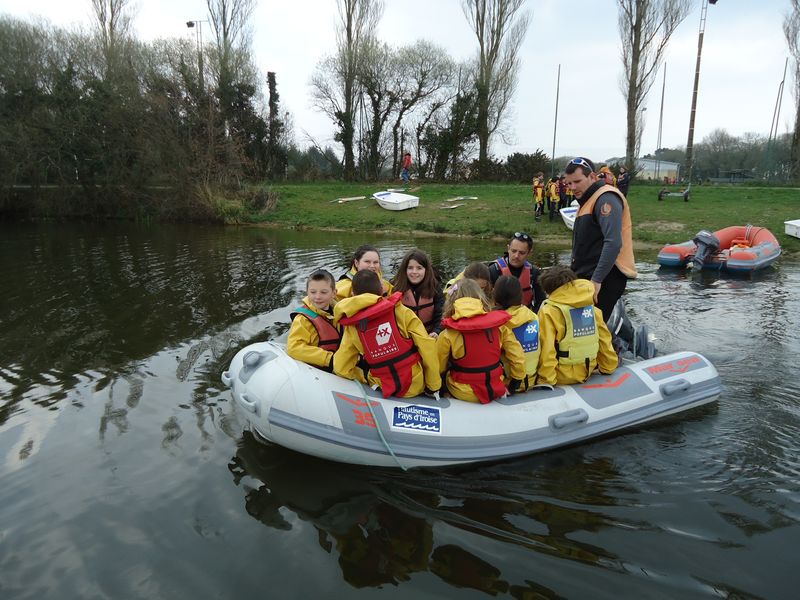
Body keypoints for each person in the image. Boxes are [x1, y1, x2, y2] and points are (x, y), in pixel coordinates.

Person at [334, 270, 440, 398]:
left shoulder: (352, 327)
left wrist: (363, 376)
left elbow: (341, 368)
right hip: (415, 384)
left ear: (353, 294)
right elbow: (428, 348)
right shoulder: (402, 312)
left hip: (381, 385)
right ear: (381, 290)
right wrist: (433, 386)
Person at [564, 157, 637, 321]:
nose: (572, 187)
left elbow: (613, 242)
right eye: (569, 183)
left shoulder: (605, 198)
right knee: (580, 327)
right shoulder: (587, 200)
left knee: (591, 328)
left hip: (605, 278)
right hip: (587, 276)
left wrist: (597, 280)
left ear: (592, 177)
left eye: (577, 181)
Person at [437, 279, 525, 403]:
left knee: (446, 374)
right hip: (495, 387)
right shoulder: (499, 327)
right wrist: (516, 382)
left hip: (462, 392)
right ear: (481, 298)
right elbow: (517, 355)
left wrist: (437, 388)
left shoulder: (448, 334)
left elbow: (438, 367)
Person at [536, 265, 618, 386]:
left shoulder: (548, 311)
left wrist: (546, 380)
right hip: (587, 371)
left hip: (561, 376)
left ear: (548, 291)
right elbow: (604, 341)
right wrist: (608, 367)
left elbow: (547, 349)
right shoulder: (591, 308)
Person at [287, 269, 341, 371]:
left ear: (334, 293)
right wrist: (329, 359)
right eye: (313, 292)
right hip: (322, 369)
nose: (317, 297)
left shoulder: (339, 312)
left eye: (323, 292)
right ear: (307, 292)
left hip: (341, 362)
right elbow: (294, 348)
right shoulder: (302, 320)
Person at [493, 275, 540, 392]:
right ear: (520, 294)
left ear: (496, 296)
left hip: (509, 385)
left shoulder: (497, 325)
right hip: (533, 380)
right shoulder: (534, 317)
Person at [486, 232, 546, 311]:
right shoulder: (493, 270)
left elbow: (540, 301)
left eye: (522, 253)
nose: (516, 256)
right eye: (513, 251)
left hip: (524, 315)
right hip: (500, 315)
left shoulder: (534, 273)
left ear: (529, 253)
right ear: (508, 248)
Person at [392, 248, 444, 338]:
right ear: (405, 270)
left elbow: (440, 314)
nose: (414, 272)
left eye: (419, 268)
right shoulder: (395, 288)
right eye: (410, 268)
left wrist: (437, 331)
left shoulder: (435, 287)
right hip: (406, 337)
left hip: (429, 335)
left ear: (426, 270)